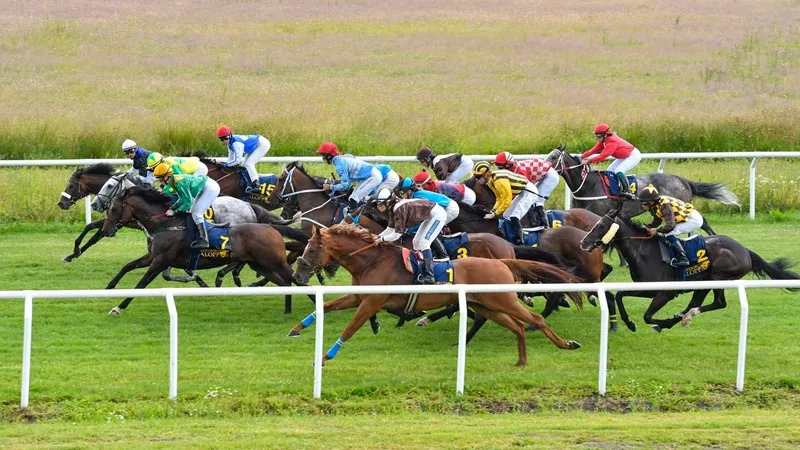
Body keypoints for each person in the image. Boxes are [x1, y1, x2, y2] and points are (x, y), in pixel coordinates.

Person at [374, 188, 446, 284]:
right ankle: (421, 269)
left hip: (437, 215)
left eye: (380, 204)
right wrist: (377, 237)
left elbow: (397, 235)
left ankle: (430, 275)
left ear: (388, 202)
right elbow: (390, 229)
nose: (378, 206)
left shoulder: (399, 209)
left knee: (424, 243)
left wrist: (382, 239)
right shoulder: (392, 208)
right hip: (430, 215)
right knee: (416, 242)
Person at [153, 163, 221, 249]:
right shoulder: (174, 181)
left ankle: (204, 240)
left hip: (210, 188)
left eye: (160, 178)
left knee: (197, 213)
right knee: (192, 212)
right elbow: (182, 199)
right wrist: (173, 207)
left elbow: (188, 202)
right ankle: (196, 236)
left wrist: (174, 211)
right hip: (204, 187)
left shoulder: (179, 182)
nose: (160, 181)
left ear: (167, 176)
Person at [471, 161, 538, 245]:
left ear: (486, 174)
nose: (476, 180)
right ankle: (511, 237)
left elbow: (507, 200)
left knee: (515, 215)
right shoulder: (491, 181)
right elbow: (499, 198)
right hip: (522, 192)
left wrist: (494, 214)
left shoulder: (499, 180)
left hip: (529, 191)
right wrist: (492, 211)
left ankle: (521, 242)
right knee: (506, 215)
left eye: (477, 176)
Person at [638, 184, 703, 267]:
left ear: (651, 201)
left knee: (669, 233)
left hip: (693, 220)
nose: (643, 206)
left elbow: (670, 226)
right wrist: (647, 228)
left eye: (644, 203)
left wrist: (657, 230)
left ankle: (684, 258)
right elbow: (657, 220)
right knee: (666, 233)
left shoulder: (664, 205)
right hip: (688, 217)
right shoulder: (658, 204)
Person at [493, 151, 556, 229]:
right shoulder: (513, 169)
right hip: (542, 173)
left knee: (537, 200)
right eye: (498, 166)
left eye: (500, 166)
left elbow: (522, 190)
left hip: (550, 176)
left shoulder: (519, 171)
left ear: (508, 164)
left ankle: (546, 225)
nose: (499, 169)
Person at [580, 123, 642, 198]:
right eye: (596, 135)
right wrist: (581, 156)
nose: (597, 138)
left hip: (633, 155)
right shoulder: (604, 141)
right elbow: (593, 150)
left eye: (599, 136)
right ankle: (615, 190)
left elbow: (602, 156)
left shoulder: (612, 142)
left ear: (605, 135)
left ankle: (627, 191)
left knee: (619, 171)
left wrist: (588, 161)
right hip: (624, 156)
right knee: (610, 171)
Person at [316, 142, 382, 211]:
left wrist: (330, 187)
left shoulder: (340, 165)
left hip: (373, 177)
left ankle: (356, 220)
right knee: (352, 198)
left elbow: (346, 186)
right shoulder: (340, 159)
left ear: (329, 156)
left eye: (323, 155)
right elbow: (349, 181)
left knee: (353, 199)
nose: (323, 158)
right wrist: (340, 182)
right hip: (370, 175)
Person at [216, 125, 271, 194]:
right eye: (221, 139)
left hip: (262, 144)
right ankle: (248, 184)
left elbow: (237, 160)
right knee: (244, 165)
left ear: (230, 136)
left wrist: (225, 165)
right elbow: (230, 159)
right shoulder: (230, 144)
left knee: (249, 164)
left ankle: (257, 185)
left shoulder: (237, 143)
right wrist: (226, 165)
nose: (224, 141)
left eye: (226, 138)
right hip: (255, 145)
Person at [411, 172, 476, 206]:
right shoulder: (432, 186)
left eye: (420, 186)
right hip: (463, 191)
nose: (418, 188)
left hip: (467, 196)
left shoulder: (437, 190)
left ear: (428, 183)